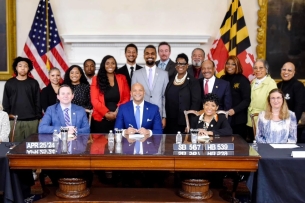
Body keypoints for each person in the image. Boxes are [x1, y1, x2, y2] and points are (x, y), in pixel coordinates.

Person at [2, 56, 42, 142]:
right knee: (15, 147)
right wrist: (7, 118)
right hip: (14, 121)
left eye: (25, 66)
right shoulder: (9, 83)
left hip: (32, 121)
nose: (23, 68)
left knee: (32, 146)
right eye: (20, 66)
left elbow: (38, 101)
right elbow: (5, 102)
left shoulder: (33, 83)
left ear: (29, 68)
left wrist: (38, 117)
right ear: (16, 68)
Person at [132, 45, 169, 129]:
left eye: (152, 53)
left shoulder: (164, 74)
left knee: (157, 140)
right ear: (144, 56)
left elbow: (165, 97)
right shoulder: (136, 73)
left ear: (156, 56)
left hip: (158, 114)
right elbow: (133, 96)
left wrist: (164, 116)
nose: (150, 56)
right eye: (147, 53)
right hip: (140, 113)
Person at [90, 55, 130, 133]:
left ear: (115, 65)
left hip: (118, 117)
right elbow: (94, 100)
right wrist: (106, 113)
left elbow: (126, 97)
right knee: (100, 144)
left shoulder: (122, 78)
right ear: (103, 65)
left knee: (119, 143)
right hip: (101, 118)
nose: (110, 66)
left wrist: (116, 112)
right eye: (107, 63)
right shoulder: (96, 79)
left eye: (113, 63)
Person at [164, 53, 201, 134]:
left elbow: (196, 103)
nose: (180, 65)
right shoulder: (170, 79)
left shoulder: (193, 82)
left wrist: (190, 123)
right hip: (170, 121)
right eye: (178, 63)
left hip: (185, 122)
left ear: (187, 65)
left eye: (183, 63)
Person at [247, 59, 277, 141]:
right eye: (255, 68)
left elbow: (274, 103)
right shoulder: (253, 82)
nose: (258, 70)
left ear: (266, 70)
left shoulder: (271, 83)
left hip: (264, 120)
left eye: (261, 68)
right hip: (251, 119)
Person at [221, 56, 251, 139]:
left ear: (237, 66)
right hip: (224, 119)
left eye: (233, 64)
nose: (230, 66)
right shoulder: (222, 78)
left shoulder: (243, 80)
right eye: (228, 63)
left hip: (238, 120)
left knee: (238, 147)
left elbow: (246, 100)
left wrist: (235, 110)